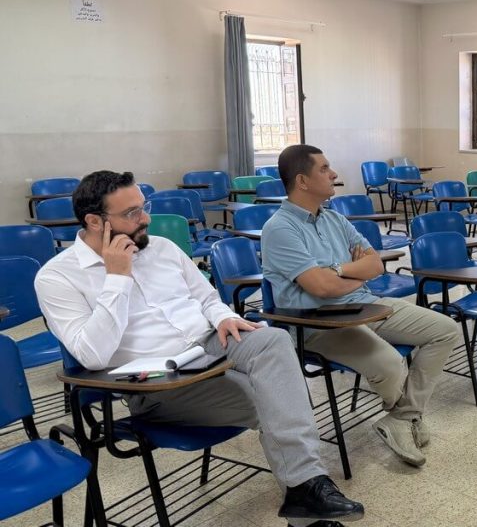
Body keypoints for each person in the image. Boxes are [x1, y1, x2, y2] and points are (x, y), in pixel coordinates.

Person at [34, 171, 363, 527]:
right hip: (157, 382)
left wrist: (224, 316)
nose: (145, 219)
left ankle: (305, 490)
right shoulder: (57, 277)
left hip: (209, 346)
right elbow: (92, 355)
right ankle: (307, 509)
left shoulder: (162, 248)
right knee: (275, 397)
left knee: (273, 340)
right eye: (131, 213)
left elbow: (207, 298)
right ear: (95, 221)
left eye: (144, 207)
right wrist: (117, 278)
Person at [261, 145, 460, 468]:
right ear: (302, 181)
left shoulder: (334, 219)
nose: (334, 174)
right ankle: (406, 417)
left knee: (445, 330)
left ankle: (402, 417)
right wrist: (352, 275)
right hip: (319, 323)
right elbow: (322, 289)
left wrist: (338, 271)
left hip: (365, 304)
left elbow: (375, 265)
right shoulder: (280, 229)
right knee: (391, 363)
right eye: (324, 169)